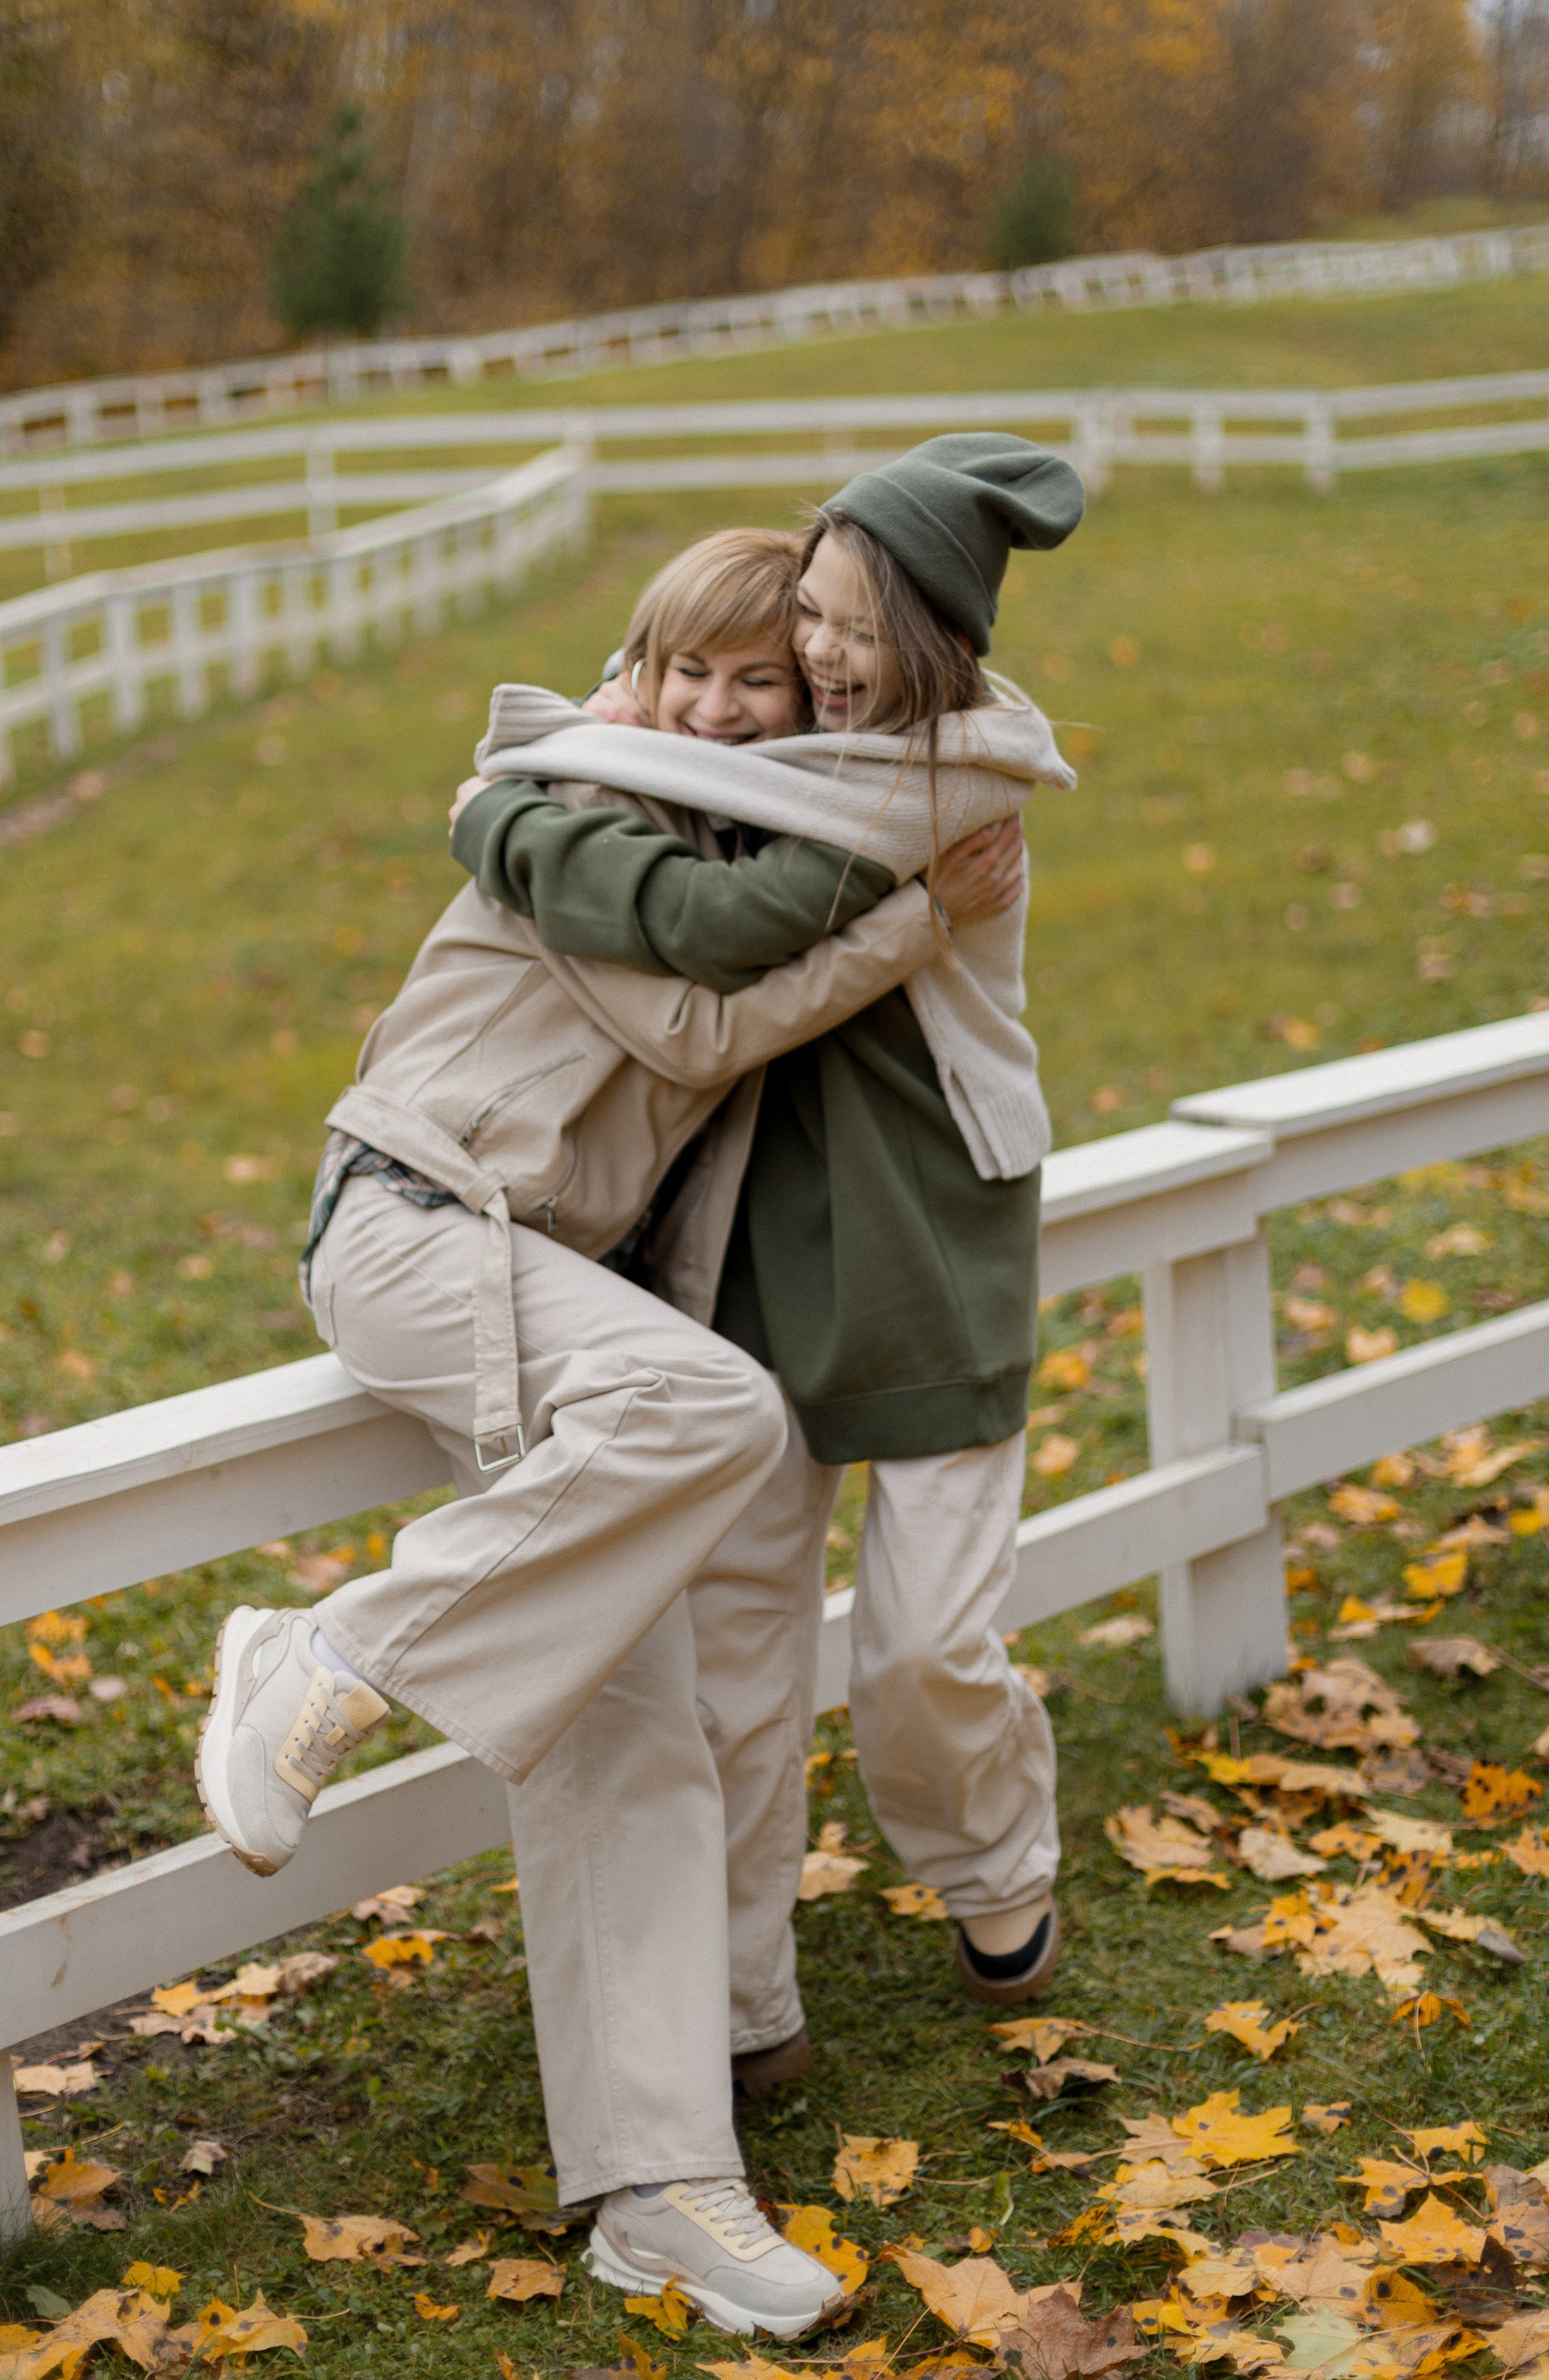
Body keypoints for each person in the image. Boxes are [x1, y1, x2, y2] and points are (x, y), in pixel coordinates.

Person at [198, 523, 1032, 2339]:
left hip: (547, 1287)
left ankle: (660, 2191)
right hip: (418, 1224)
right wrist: (918, 913)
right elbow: (692, 1023)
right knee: (709, 1406)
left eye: (765, 682)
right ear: (632, 674)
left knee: (630, 1725)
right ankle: (327, 1652)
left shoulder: (715, 819)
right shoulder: (586, 809)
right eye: (691, 674)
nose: (724, 711)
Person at [452, 431, 1083, 2041]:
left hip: (923, 1239)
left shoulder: (942, 784)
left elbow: (718, 918)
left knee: (927, 1646)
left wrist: (543, 772)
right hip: (731, 1248)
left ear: (930, 646)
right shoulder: (750, 755)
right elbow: (683, 731)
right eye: (811, 615)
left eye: (856, 632)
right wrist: (608, 720)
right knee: (736, 1662)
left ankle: (995, 1862)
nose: (815, 657)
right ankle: (740, 1998)